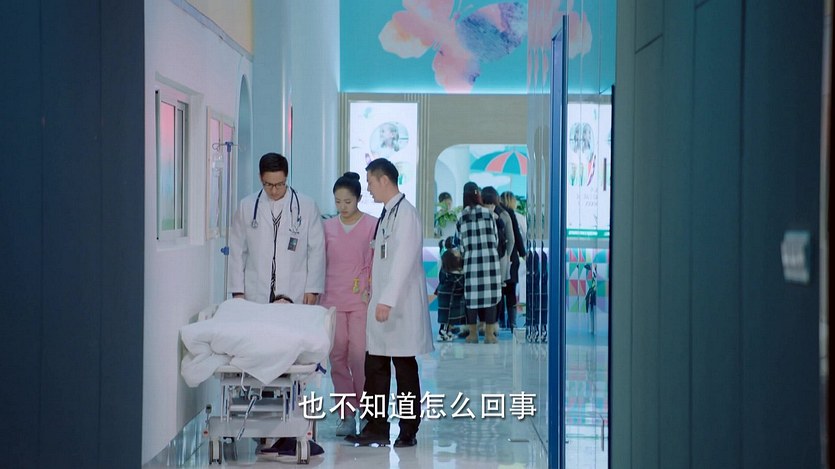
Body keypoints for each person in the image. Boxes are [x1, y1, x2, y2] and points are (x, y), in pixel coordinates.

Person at [346, 158, 433, 448]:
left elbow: (404, 262)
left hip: (399, 307)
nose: (368, 188)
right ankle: (376, 427)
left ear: (384, 180)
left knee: (404, 369)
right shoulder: (388, 213)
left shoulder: (406, 214)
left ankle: (408, 429)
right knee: (375, 367)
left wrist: (387, 300)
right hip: (383, 305)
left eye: (370, 182)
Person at [320, 172, 377, 437]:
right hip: (332, 300)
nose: (342, 207)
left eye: (347, 202)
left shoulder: (372, 225)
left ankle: (365, 412)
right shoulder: (327, 228)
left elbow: (377, 262)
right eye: (338, 202)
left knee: (359, 357)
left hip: (360, 300)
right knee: (337, 357)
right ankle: (346, 414)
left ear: (359, 199)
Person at [228, 152, 325, 305]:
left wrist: (313, 289)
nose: (274, 190)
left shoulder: (307, 206)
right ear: (260, 178)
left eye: (279, 184)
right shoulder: (246, 206)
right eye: (268, 184)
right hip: (255, 290)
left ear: (286, 178)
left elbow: (316, 250)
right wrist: (237, 291)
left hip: (295, 289)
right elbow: (237, 251)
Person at [456, 182, 502, 344]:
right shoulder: (488, 214)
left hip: (471, 261)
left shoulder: (462, 217)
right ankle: (489, 335)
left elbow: (460, 243)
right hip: (490, 261)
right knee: (490, 297)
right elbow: (496, 238)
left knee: (472, 298)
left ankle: (473, 335)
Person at [481, 187, 515, 334]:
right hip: (500, 259)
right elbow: (511, 239)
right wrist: (507, 256)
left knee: (484, 292)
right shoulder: (504, 214)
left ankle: (485, 324)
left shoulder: (478, 214)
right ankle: (494, 325)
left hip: (483, 260)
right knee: (497, 293)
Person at [499, 191, 526, 329]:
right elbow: (517, 236)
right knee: (511, 291)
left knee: (498, 291)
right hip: (512, 257)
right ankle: (512, 323)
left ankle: (500, 321)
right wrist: (523, 253)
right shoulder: (511, 214)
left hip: (499, 257)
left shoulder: (498, 213)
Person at [434, 236, 465, 341]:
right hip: (448, 295)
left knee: (446, 315)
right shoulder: (455, 274)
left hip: (444, 293)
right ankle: (442, 332)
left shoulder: (444, 261)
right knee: (446, 315)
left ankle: (446, 331)